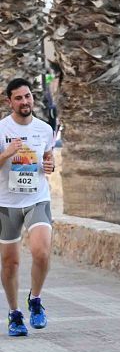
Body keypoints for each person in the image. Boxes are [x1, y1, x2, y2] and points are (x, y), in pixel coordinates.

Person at [0, 78, 57, 337]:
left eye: (28, 96)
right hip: (7, 203)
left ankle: (35, 300)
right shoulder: (2, 129)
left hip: (37, 198)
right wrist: (7, 153)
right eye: (19, 98)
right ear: (9, 101)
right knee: (10, 262)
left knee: (41, 252)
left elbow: (48, 158)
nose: (25, 102)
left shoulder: (44, 129)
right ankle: (14, 315)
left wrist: (50, 166)